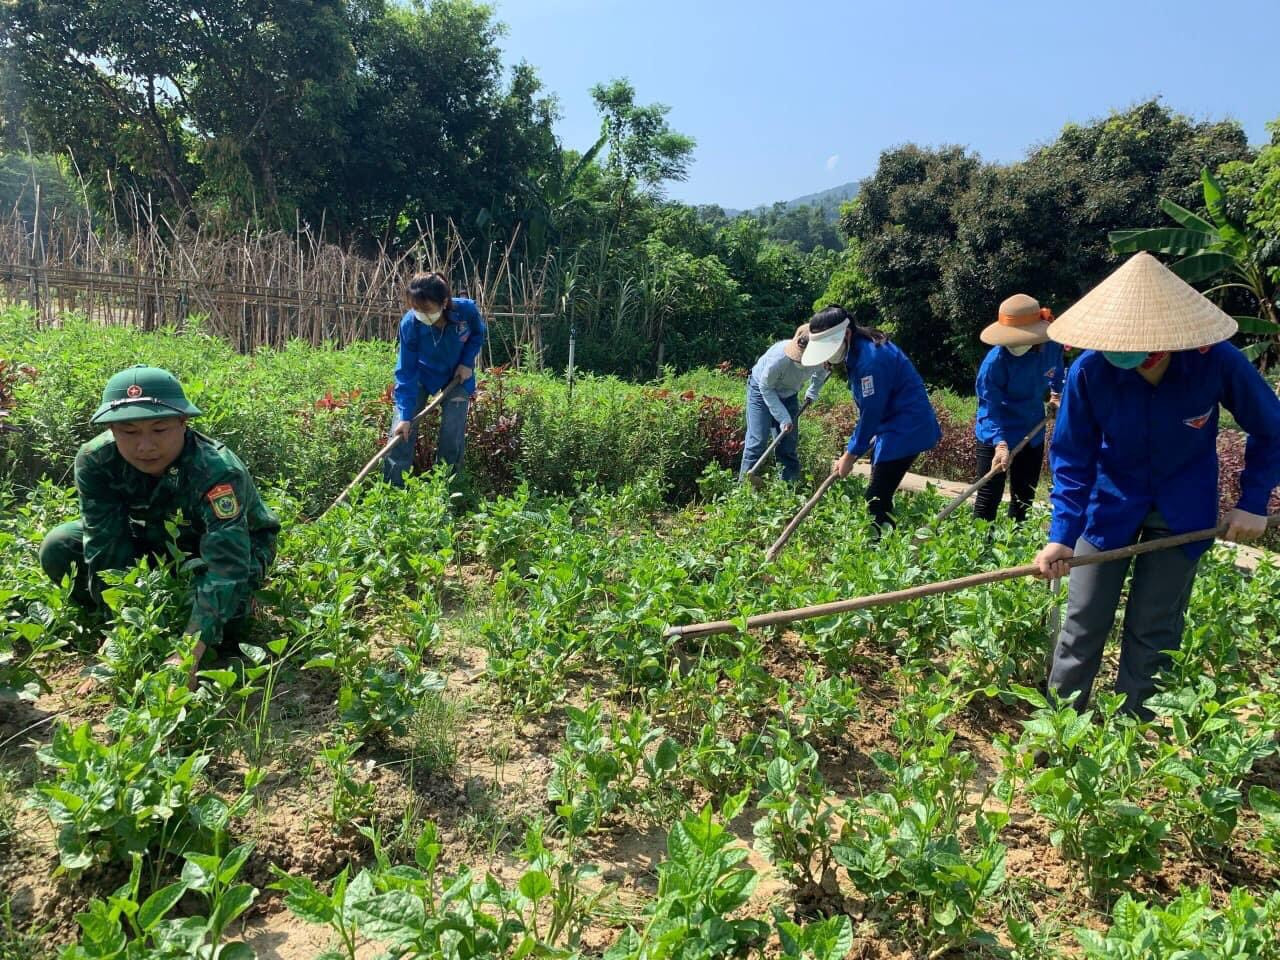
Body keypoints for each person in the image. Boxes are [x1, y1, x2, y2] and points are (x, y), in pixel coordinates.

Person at [1034, 252, 1280, 719]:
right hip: (1109, 507)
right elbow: (1072, 458)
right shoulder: (1090, 370)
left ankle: (1131, 732)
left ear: (1164, 339)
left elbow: (1272, 429)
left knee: (1154, 629)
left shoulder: (1216, 361)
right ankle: (1058, 729)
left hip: (1183, 508)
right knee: (1083, 622)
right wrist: (1062, 535)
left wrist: (1252, 501)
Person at [39, 366, 280, 690]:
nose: (145, 446)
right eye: (129, 431)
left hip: (228, 549)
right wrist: (121, 632)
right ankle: (143, 617)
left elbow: (227, 564)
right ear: (111, 429)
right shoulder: (96, 460)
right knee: (59, 546)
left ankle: (235, 605)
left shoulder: (217, 471)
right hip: (154, 540)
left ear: (183, 422)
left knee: (230, 616)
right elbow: (105, 544)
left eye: (159, 429)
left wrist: (188, 653)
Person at [802, 305, 941, 531]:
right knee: (879, 495)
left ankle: (882, 545)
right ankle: (887, 539)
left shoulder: (871, 360)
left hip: (905, 428)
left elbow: (871, 413)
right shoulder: (859, 350)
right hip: (891, 426)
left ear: (847, 334)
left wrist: (850, 455)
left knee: (875, 499)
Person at [383, 271, 487, 486]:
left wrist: (467, 362)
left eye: (427, 309)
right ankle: (393, 489)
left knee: (452, 432)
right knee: (400, 431)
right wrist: (405, 415)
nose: (421, 314)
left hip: (457, 376)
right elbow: (406, 370)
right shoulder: (410, 324)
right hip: (422, 375)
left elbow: (478, 334)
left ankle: (445, 487)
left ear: (444, 302)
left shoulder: (465, 311)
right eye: (416, 308)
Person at [973, 294, 1065, 523]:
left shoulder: (1051, 348)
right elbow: (989, 408)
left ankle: (1015, 541)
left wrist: (1056, 396)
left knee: (1023, 499)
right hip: (997, 430)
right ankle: (980, 544)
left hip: (1032, 428)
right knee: (987, 499)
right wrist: (1000, 444)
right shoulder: (994, 363)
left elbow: (1057, 371)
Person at [739, 324, 830, 484]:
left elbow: (821, 373)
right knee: (757, 441)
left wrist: (812, 391)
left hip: (789, 394)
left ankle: (787, 489)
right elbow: (766, 388)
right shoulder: (779, 359)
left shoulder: (820, 358)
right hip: (761, 390)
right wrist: (783, 418)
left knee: (788, 444)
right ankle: (743, 488)